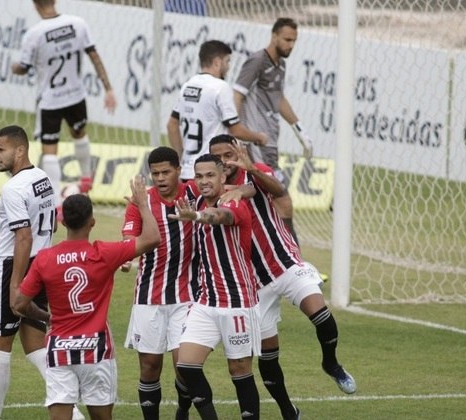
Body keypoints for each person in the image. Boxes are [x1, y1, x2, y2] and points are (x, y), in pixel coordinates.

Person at [208, 135, 356, 414]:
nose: (225, 162)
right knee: (267, 355)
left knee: (321, 315)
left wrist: (248, 170)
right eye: (219, 158)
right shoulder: (210, 187)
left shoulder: (258, 172)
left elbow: (277, 190)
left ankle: (331, 363)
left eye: (229, 155)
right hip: (253, 282)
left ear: (238, 152)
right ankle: (289, 410)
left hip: (285, 263)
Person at [13, 176, 161, 420]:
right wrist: (142, 204)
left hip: (60, 348)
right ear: (92, 222)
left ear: (61, 221)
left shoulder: (45, 258)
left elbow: (20, 304)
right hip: (96, 349)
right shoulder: (103, 253)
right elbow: (152, 238)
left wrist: (48, 317)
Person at [0, 125, 77, 420]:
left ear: (19, 151)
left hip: (15, 267)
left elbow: (23, 236)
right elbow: (51, 224)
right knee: (36, 346)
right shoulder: (42, 179)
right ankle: (74, 415)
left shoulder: (13, 188)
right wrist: (2, 233)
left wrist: (14, 285)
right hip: (41, 266)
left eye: (1, 149)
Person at [169, 154, 262, 420]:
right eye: (199, 176)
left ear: (223, 177)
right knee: (186, 365)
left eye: (210, 175)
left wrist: (197, 216)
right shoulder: (196, 199)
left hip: (238, 303)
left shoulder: (234, 202)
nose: (203, 181)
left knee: (239, 369)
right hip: (207, 302)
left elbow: (219, 217)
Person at [11, 0, 117, 206]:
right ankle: (86, 178)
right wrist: (108, 88)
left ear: (35, 5)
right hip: (76, 95)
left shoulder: (35, 33)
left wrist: (15, 67)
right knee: (79, 134)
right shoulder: (78, 23)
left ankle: (56, 200)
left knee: (50, 149)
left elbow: (23, 67)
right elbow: (94, 56)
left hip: (50, 100)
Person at [120, 146, 198, 420]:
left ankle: (183, 410)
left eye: (166, 172)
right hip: (148, 296)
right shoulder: (140, 202)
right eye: (156, 174)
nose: (161, 178)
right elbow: (130, 239)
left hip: (187, 296)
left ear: (179, 170)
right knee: (150, 366)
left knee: (185, 366)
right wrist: (126, 257)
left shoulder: (194, 194)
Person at [232, 17, 313, 246]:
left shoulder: (280, 65)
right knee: (281, 200)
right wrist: (236, 130)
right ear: (274, 36)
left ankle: (277, 259)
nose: (290, 45)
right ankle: (294, 261)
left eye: (294, 41)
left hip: (270, 142)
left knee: (269, 202)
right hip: (257, 143)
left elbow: (278, 100)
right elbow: (237, 94)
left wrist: (299, 129)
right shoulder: (257, 61)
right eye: (287, 39)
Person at [167, 40, 268, 182]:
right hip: (210, 174)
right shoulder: (220, 87)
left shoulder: (187, 86)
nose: (228, 67)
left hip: (188, 173)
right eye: (227, 61)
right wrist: (259, 137)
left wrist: (182, 156)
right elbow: (235, 130)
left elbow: (171, 125)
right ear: (217, 62)